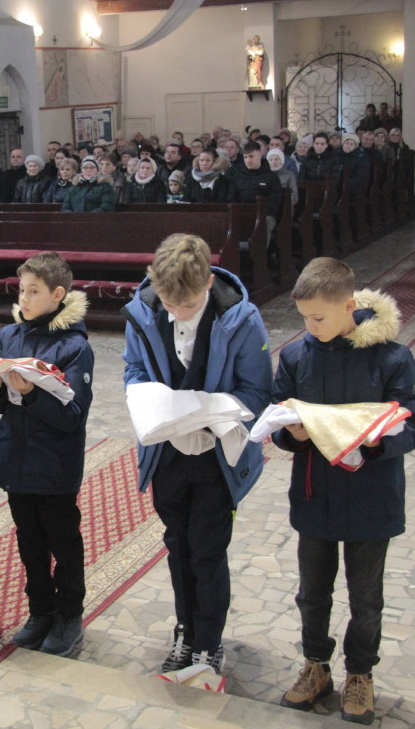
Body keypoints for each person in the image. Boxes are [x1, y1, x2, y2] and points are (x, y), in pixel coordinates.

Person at [272, 257, 415, 725]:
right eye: (304, 318)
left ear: (349, 306)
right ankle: (316, 666)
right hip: (315, 493)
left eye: (319, 317)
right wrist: (290, 434)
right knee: (312, 593)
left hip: (371, 496)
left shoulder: (392, 358)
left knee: (365, 597)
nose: (310, 327)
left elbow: (412, 428)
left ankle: (360, 673)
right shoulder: (295, 356)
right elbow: (279, 416)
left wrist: (377, 440)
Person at [123, 234, 272, 683]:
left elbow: (258, 391)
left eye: (187, 305)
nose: (177, 313)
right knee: (178, 545)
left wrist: (210, 411)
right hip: (167, 453)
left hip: (216, 458)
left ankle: (209, 640)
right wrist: (149, 400)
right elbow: (133, 369)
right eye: (169, 303)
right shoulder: (144, 312)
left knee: (207, 550)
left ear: (208, 282)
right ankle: (185, 631)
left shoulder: (241, 320)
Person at [0, 252, 94, 656]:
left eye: (33, 291)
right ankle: (40, 611)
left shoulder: (75, 347)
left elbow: (72, 416)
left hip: (55, 464)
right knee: (29, 542)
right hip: (15, 458)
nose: (23, 299)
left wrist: (29, 393)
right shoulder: (10, 336)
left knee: (63, 541)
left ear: (58, 295)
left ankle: (69, 616)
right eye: (21, 290)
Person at [226, 141, 284, 232]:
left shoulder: (271, 177)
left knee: (263, 225)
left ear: (260, 155)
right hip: (241, 213)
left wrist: (259, 213)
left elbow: (274, 202)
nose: (248, 160)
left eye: (251, 156)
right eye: (245, 157)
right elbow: (231, 198)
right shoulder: (238, 176)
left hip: (265, 214)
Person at [267, 148, 299, 212]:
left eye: (276, 159)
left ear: (281, 160)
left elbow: (294, 195)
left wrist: (285, 205)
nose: (273, 162)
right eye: (271, 159)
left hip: (285, 208)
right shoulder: (265, 174)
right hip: (268, 207)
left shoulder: (289, 175)